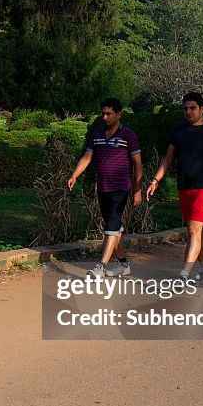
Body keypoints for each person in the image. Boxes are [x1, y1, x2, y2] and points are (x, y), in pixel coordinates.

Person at [145, 92, 203, 284]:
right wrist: (155, 180)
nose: (188, 111)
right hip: (184, 186)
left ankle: (183, 275)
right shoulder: (179, 131)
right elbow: (168, 159)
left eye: (193, 107)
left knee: (193, 229)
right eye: (185, 108)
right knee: (198, 231)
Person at [68, 97, 143, 279]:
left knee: (111, 224)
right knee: (113, 227)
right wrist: (74, 175)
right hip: (103, 187)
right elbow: (87, 157)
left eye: (109, 113)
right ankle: (123, 265)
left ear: (119, 114)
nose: (105, 117)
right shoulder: (97, 134)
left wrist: (137, 190)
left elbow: (138, 164)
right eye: (103, 113)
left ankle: (101, 267)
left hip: (121, 187)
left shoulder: (128, 135)